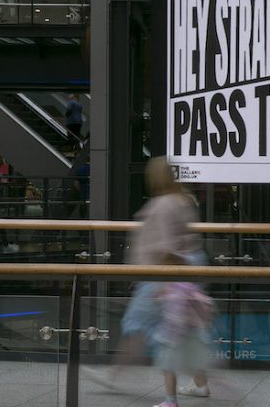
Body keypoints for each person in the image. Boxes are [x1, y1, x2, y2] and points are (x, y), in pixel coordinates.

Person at [86, 157, 210, 397]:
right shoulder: (183, 200)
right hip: (181, 273)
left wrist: (158, 279)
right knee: (183, 330)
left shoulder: (162, 205)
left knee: (137, 326)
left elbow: (165, 247)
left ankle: (113, 376)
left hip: (160, 275)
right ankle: (201, 383)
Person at [151, 252, 214, 407]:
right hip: (193, 333)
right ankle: (202, 387)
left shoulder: (174, 289)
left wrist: (168, 336)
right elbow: (205, 304)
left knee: (168, 368)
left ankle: (171, 401)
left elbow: (174, 315)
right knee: (193, 363)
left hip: (174, 337)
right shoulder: (190, 286)